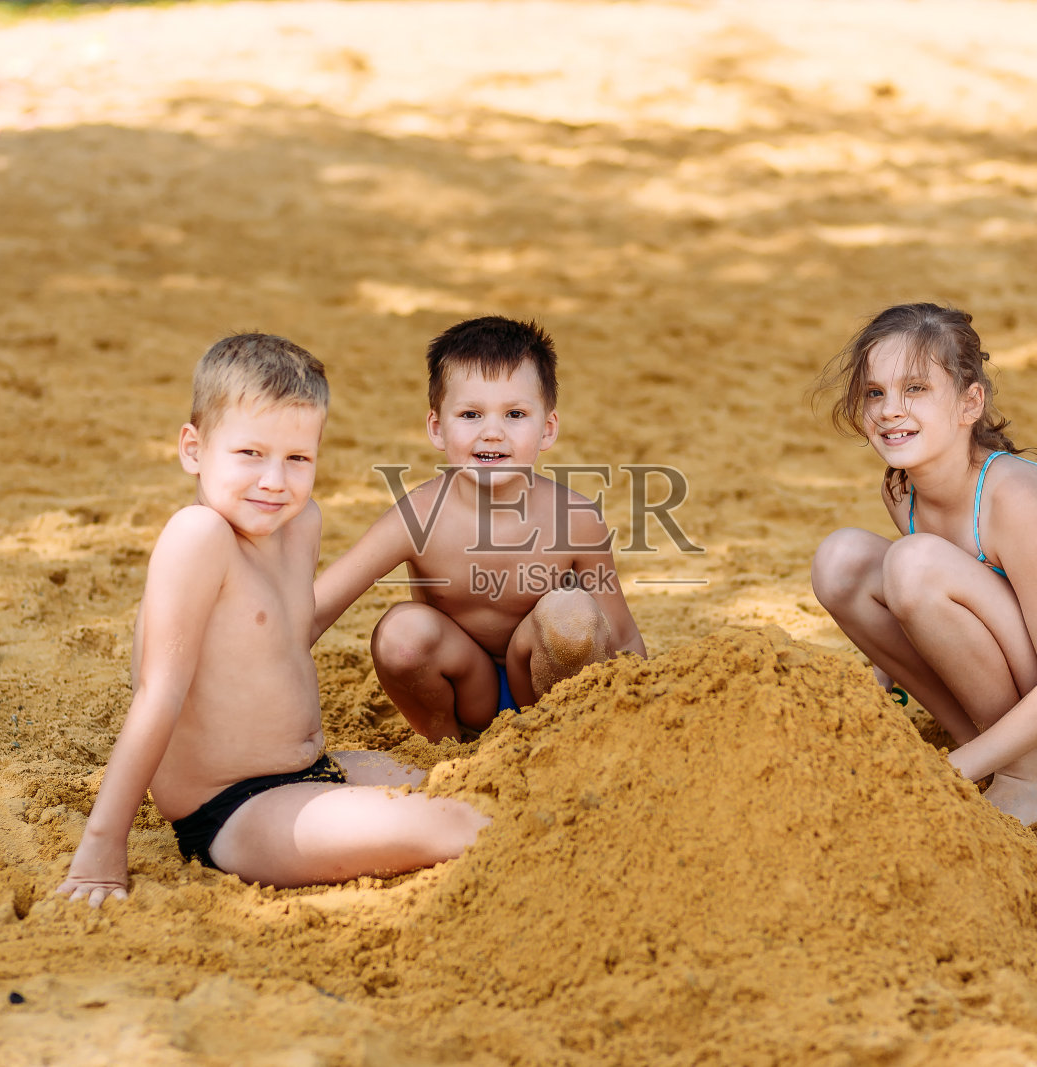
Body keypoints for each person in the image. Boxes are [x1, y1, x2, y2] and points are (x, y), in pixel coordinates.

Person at [57, 334, 488, 906]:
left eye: (297, 459)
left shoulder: (300, 522)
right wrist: (101, 848)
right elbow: (157, 694)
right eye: (249, 454)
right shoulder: (198, 536)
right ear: (193, 448)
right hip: (237, 808)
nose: (274, 481)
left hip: (317, 771)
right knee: (453, 825)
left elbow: (286, 637)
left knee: (474, 792)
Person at [810, 304, 1037, 827]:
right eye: (875, 392)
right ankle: (997, 752)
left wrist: (945, 775)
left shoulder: (1013, 498)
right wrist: (875, 694)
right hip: (1033, 678)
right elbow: (930, 611)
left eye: (916, 389)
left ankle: (1026, 777)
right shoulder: (903, 489)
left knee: (913, 564)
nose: (889, 410)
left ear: (969, 403)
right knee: (840, 561)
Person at [314, 316, 646, 741]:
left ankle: (562, 743)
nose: (492, 432)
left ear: (547, 429)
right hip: (465, 691)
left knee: (571, 612)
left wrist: (648, 724)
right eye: (471, 414)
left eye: (515, 414)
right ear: (437, 428)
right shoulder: (417, 516)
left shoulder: (576, 519)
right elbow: (318, 610)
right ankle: (445, 751)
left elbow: (621, 635)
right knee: (400, 633)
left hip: (544, 687)